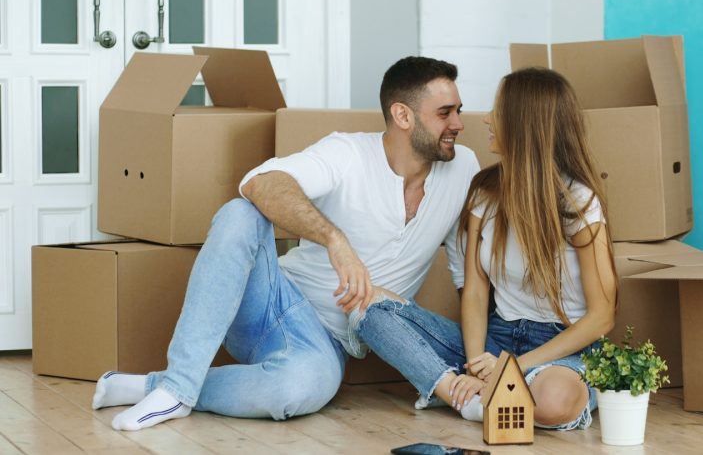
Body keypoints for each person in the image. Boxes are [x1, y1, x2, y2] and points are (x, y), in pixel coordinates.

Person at [91, 56, 480, 431]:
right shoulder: (347, 153)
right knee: (240, 214)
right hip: (272, 298)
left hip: (324, 344)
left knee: (294, 392)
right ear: (403, 115)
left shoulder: (463, 168)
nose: (459, 124)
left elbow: (468, 269)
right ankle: (177, 385)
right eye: (445, 113)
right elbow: (261, 183)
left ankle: (149, 386)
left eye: (458, 110)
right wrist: (334, 239)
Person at [352, 67, 616, 431]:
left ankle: (483, 395)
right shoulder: (485, 191)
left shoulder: (578, 203)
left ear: (525, 124)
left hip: (561, 349)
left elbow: (601, 317)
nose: (488, 119)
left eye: (499, 111)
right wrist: (479, 361)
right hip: (496, 339)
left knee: (554, 401)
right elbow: (475, 293)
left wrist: (511, 369)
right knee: (370, 310)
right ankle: (468, 398)